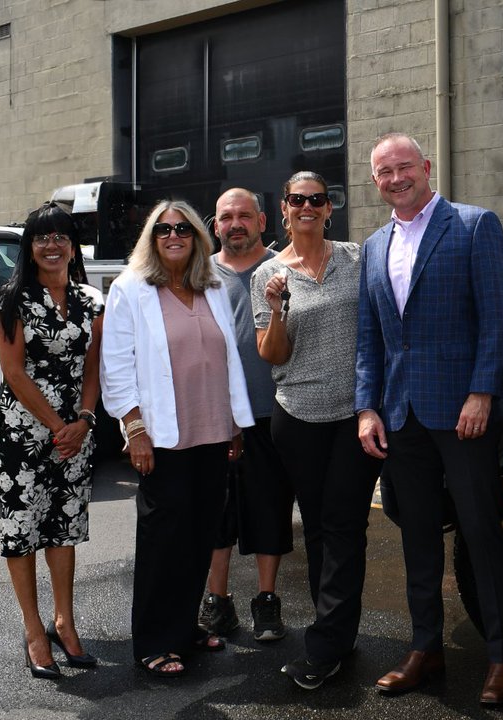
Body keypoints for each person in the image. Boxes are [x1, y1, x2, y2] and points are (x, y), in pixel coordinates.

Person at [355, 132, 503, 705]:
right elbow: (369, 338)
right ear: (374, 181)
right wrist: (367, 407)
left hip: (463, 412)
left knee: (479, 531)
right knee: (417, 538)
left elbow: (498, 318)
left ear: (426, 167)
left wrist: (482, 394)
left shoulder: (475, 226)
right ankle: (424, 649)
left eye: (405, 167)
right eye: (384, 172)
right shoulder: (374, 247)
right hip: (400, 416)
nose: (396, 178)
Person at [100, 200, 254, 678]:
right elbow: (116, 365)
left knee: (199, 536)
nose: (173, 236)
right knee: (163, 542)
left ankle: (184, 627)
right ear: (151, 237)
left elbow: (227, 359)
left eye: (182, 229)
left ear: (196, 238)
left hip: (212, 432)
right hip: (163, 436)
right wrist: (135, 429)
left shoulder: (211, 287)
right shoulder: (131, 289)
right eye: (163, 229)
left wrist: (234, 423)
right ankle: (154, 640)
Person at [251, 171, 382, 690]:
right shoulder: (268, 274)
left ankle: (324, 645)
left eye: (317, 199)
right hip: (298, 416)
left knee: (345, 525)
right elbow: (272, 355)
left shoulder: (356, 258)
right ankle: (337, 631)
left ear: (330, 208)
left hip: (356, 416)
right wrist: (279, 307)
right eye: (297, 199)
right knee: (321, 530)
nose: (307, 206)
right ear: (283, 209)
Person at [0, 202, 103, 680]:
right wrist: (60, 428)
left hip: (75, 434)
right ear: (29, 247)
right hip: (25, 435)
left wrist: (85, 420)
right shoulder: (13, 300)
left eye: (60, 236)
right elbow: (14, 373)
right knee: (24, 531)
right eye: (42, 237)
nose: (52, 245)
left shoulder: (89, 300)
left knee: (64, 527)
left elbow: (94, 367)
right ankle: (34, 628)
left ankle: (65, 621)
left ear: (72, 245)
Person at [200, 188, 294, 643]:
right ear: (215, 225)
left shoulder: (283, 269)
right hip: (212, 416)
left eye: (243, 216)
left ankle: (266, 601)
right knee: (217, 514)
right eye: (225, 217)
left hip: (269, 412)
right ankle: (216, 602)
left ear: (261, 221)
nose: (234, 224)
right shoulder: (198, 275)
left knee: (269, 509)